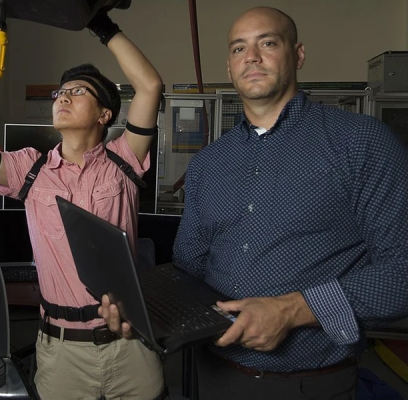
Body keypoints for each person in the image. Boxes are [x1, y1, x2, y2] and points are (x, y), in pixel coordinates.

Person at [100, 6, 408, 400]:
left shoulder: (361, 143)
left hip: (310, 385)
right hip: (211, 376)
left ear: (297, 55)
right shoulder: (209, 164)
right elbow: (189, 268)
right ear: (229, 68)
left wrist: (294, 309)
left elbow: (401, 273)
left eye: (267, 43)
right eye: (238, 48)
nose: (252, 57)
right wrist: (140, 304)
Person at [0, 9, 166, 400]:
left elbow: (149, 86)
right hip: (61, 354)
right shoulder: (30, 168)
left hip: (131, 345)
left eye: (78, 92)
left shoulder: (123, 161)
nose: (63, 97)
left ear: (104, 114)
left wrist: (100, 23)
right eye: (60, 92)